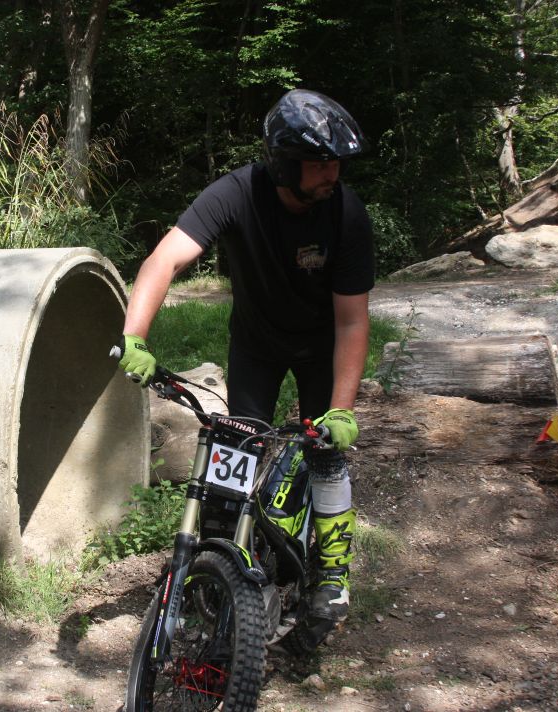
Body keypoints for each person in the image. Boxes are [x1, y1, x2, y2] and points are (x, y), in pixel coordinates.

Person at [117, 89, 375, 638]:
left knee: (325, 453)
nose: (333, 173)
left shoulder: (346, 213)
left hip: (321, 349)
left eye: (337, 162)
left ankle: (331, 574)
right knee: (236, 448)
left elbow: (353, 322)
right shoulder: (235, 194)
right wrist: (134, 336)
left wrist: (342, 409)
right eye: (320, 163)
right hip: (256, 345)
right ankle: (220, 563)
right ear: (285, 163)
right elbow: (164, 260)